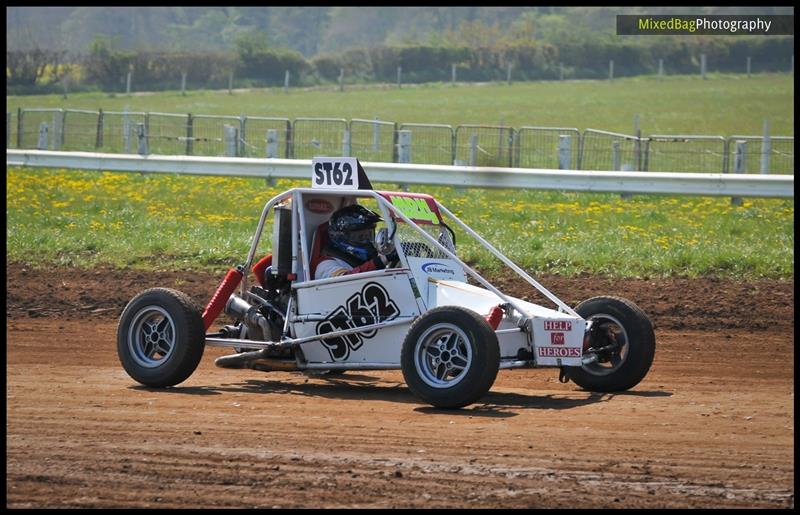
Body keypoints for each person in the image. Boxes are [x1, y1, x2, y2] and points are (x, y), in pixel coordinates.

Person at [313, 204, 399, 279]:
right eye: (360, 236)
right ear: (340, 237)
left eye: (369, 235)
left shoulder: (364, 261)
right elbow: (346, 280)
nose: (367, 240)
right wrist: (382, 260)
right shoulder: (325, 265)